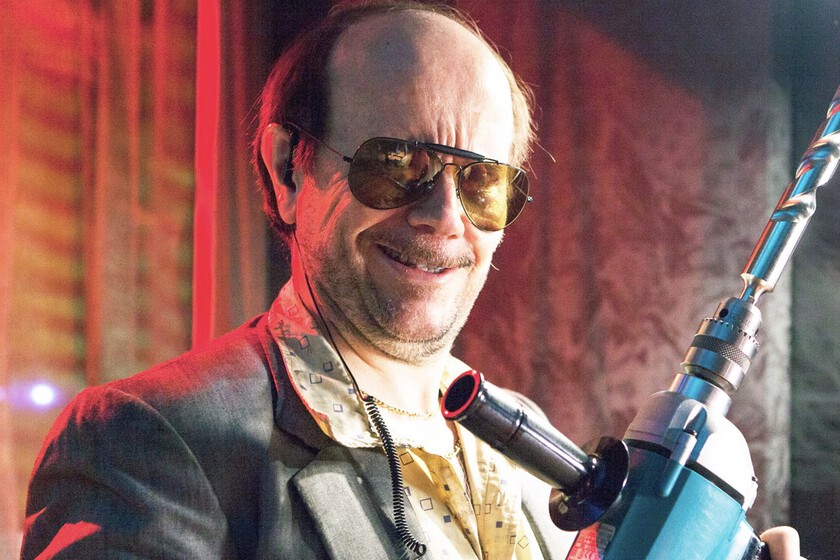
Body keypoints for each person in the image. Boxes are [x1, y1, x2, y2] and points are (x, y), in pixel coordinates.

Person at [20, 2, 802, 559]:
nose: (443, 217)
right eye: (397, 164)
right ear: (288, 169)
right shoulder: (148, 442)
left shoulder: (528, 453)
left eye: (483, 183)